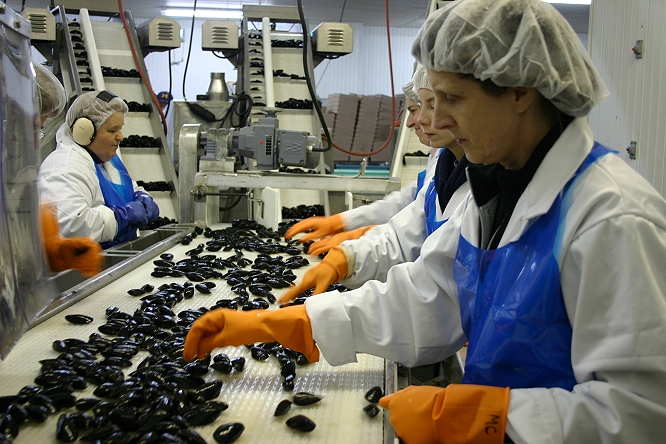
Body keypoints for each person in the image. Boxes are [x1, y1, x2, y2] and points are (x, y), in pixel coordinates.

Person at [183, 1, 666, 442]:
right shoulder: (499, 189)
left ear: (520, 91)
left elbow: (641, 415)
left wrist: (489, 415)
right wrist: (281, 322)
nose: (441, 122)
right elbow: (427, 297)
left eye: (453, 99)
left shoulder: (612, 217)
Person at [279, 68, 469, 299]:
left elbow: (434, 287)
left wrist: (353, 236)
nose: (414, 121)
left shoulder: (482, 185)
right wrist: (347, 244)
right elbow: (407, 230)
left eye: (424, 107)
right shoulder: (444, 163)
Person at [284, 70, 442, 254]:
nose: (412, 122)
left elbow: (412, 236)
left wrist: (355, 242)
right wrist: (343, 222)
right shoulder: (439, 159)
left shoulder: (459, 171)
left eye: (416, 110)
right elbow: (405, 203)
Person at [38, 90, 160, 249]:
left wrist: (142, 196)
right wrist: (121, 217)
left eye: (120, 129)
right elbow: (69, 224)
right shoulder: (64, 166)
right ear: (84, 131)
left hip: (117, 261)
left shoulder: (108, 160)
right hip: (89, 270)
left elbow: (130, 187)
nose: (120, 137)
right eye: (112, 130)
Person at [33, 61, 103, 277]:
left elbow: (17, 245)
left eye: (39, 130)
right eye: (33, 127)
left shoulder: (17, 178)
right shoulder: (63, 165)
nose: (35, 141)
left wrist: (57, 252)